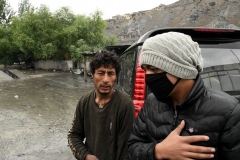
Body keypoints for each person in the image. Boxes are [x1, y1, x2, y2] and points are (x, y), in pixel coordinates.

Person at [128, 32, 240, 160]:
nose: (148, 77)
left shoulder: (229, 111)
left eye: (154, 69)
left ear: (180, 68)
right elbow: (133, 146)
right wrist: (158, 151)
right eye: (145, 69)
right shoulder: (152, 103)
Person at [68, 50, 135, 160]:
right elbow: (74, 135)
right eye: (101, 73)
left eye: (110, 73)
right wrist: (85, 156)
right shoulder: (84, 102)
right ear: (92, 74)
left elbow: (126, 150)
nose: (105, 80)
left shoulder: (125, 105)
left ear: (116, 76)